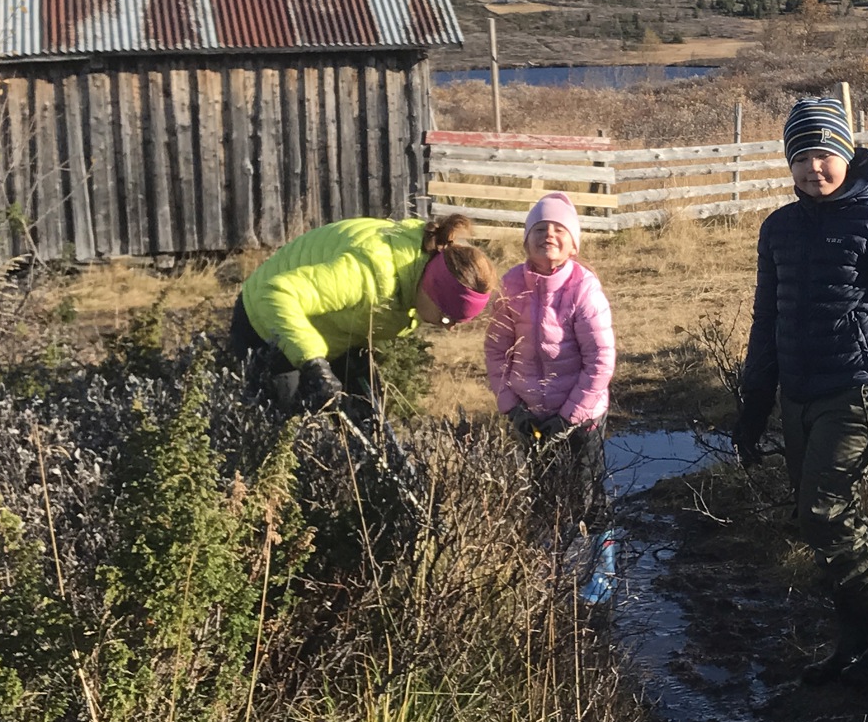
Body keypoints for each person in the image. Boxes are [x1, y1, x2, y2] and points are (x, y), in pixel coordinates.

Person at [734, 96, 868, 687]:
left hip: (856, 393)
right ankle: (854, 641)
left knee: (826, 514)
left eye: (823, 154)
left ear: (846, 154)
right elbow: (766, 320)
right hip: (797, 393)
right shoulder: (778, 228)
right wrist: (754, 404)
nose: (812, 168)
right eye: (800, 157)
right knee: (813, 518)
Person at [230, 212, 495, 414]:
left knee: (367, 417)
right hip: (265, 322)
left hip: (330, 329)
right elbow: (277, 294)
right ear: (430, 289)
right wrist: (313, 362)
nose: (448, 327)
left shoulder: (425, 263)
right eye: (447, 318)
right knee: (282, 427)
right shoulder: (369, 273)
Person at [484, 191, 617, 533]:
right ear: (526, 241)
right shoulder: (511, 285)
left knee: (585, 499)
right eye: (540, 229)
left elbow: (600, 361)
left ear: (573, 245)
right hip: (530, 417)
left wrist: (569, 417)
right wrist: (511, 407)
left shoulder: (584, 289)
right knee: (542, 498)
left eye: (559, 229)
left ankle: (597, 557)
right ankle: (548, 558)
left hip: (581, 418)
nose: (549, 235)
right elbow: (496, 352)